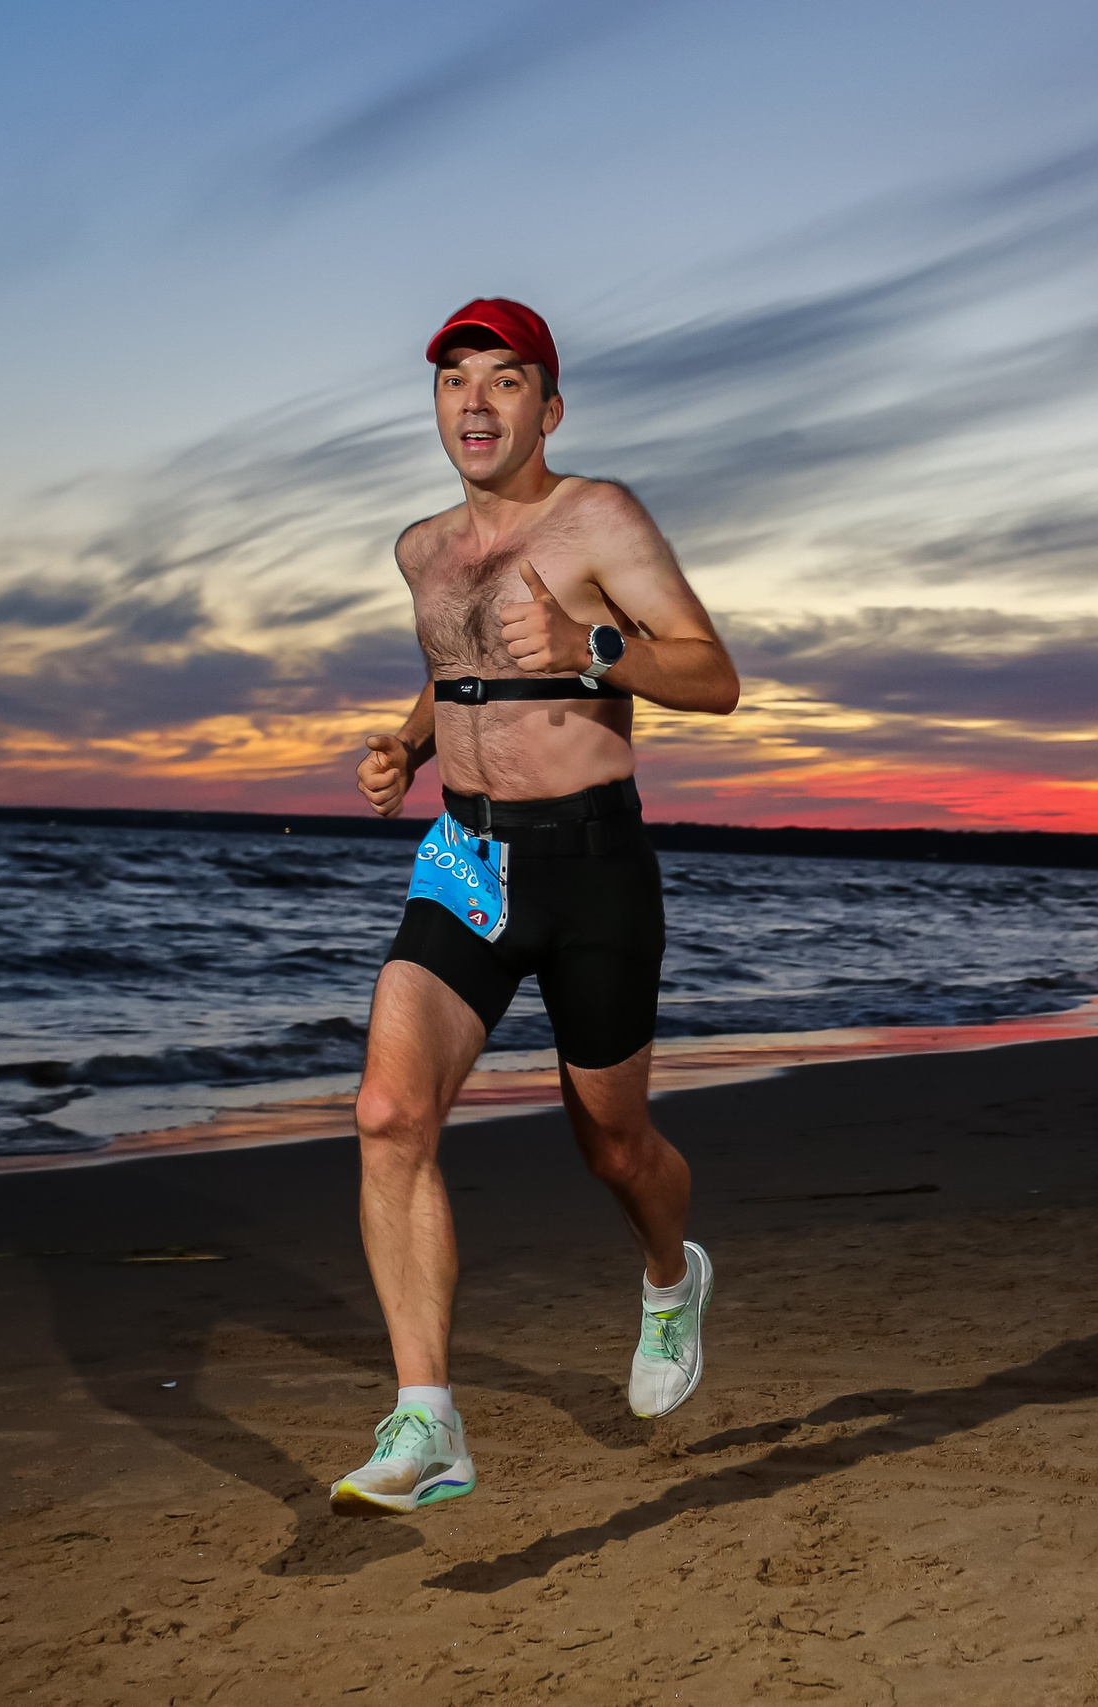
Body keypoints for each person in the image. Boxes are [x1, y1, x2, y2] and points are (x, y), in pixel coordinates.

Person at [328, 299, 742, 1516]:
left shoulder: (598, 516)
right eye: (455, 381)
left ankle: (672, 1279)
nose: (474, 402)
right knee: (388, 1110)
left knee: (611, 1145)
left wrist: (589, 642)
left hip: (592, 865)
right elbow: (448, 664)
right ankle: (427, 1423)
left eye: (503, 381)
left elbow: (713, 677)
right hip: (464, 858)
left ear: (546, 409)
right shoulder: (420, 549)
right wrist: (406, 748)